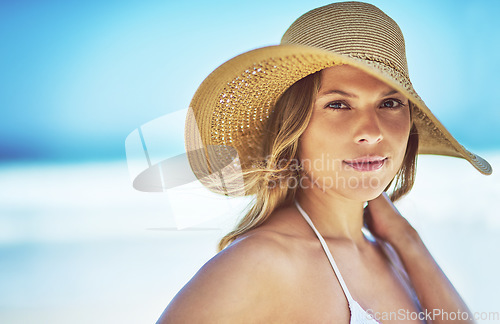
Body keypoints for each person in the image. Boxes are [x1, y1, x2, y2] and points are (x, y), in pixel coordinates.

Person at [157, 2, 492, 323]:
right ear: (294, 128)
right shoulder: (262, 262)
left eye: (389, 102)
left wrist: (408, 240)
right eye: (338, 105)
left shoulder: (393, 255)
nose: (372, 133)